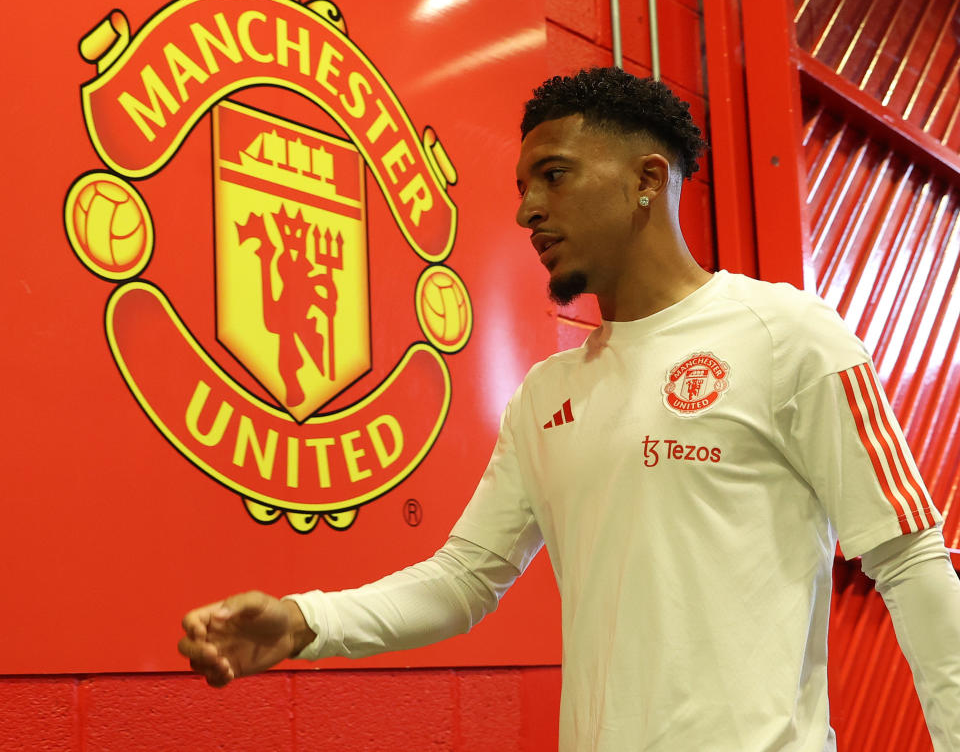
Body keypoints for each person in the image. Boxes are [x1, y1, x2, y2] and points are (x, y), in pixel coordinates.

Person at [179, 67, 960, 751]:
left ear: (647, 179)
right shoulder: (547, 395)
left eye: (552, 176)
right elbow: (463, 581)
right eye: (523, 186)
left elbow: (911, 560)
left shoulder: (787, 336)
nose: (527, 212)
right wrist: (303, 621)